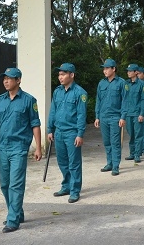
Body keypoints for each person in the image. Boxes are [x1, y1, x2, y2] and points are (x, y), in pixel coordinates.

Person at [0, 67, 42, 234]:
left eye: (9, 78)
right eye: (4, 78)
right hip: (3, 148)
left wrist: (38, 147)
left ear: (18, 80)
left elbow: (35, 125)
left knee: (16, 184)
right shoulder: (0, 101)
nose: (5, 81)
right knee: (5, 184)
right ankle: (17, 213)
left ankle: (12, 219)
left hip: (19, 148)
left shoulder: (29, 100)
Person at [47, 62, 88, 203]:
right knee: (62, 161)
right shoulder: (57, 91)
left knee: (74, 163)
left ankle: (75, 190)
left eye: (63, 74)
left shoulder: (80, 93)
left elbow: (81, 115)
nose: (60, 77)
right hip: (58, 132)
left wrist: (80, 134)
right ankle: (66, 186)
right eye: (59, 74)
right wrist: (49, 129)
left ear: (72, 75)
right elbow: (53, 111)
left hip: (72, 133)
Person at [94, 58, 127, 176]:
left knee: (115, 142)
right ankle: (109, 163)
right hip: (103, 117)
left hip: (115, 117)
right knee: (107, 142)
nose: (105, 71)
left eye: (107, 68)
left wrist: (123, 117)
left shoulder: (121, 83)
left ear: (114, 69)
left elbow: (125, 101)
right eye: (104, 68)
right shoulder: (101, 83)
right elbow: (98, 100)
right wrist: (97, 116)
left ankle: (116, 165)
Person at [123, 63, 144, 163]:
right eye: (127, 71)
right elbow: (123, 99)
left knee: (138, 135)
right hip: (128, 113)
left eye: (130, 71)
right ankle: (132, 153)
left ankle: (137, 154)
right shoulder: (126, 84)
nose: (128, 73)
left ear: (136, 72)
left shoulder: (142, 84)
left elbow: (143, 100)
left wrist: (142, 114)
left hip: (137, 114)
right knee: (131, 134)